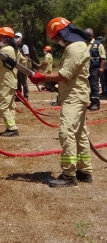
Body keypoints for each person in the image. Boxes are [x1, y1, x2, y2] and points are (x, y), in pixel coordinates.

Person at [30, 17, 93, 187]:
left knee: (67, 133)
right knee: (79, 135)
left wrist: (43, 77)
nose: (57, 41)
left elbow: (65, 75)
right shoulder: (78, 46)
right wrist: (50, 82)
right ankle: (84, 170)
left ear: (63, 34)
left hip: (74, 97)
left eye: (56, 38)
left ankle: (68, 175)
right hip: (75, 95)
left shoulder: (74, 48)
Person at [84, 28, 105, 111]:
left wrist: (102, 67)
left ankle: (95, 103)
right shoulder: (84, 44)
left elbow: (103, 57)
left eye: (89, 34)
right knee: (87, 86)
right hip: (86, 68)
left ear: (92, 35)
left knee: (94, 85)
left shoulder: (98, 44)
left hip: (94, 68)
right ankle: (90, 101)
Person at [14, 32, 30, 101]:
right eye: (15, 37)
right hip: (17, 66)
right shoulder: (14, 46)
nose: (16, 38)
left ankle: (26, 96)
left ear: (21, 38)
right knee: (18, 82)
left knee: (24, 82)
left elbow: (26, 56)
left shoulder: (24, 46)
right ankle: (19, 96)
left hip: (22, 67)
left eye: (17, 37)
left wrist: (24, 67)